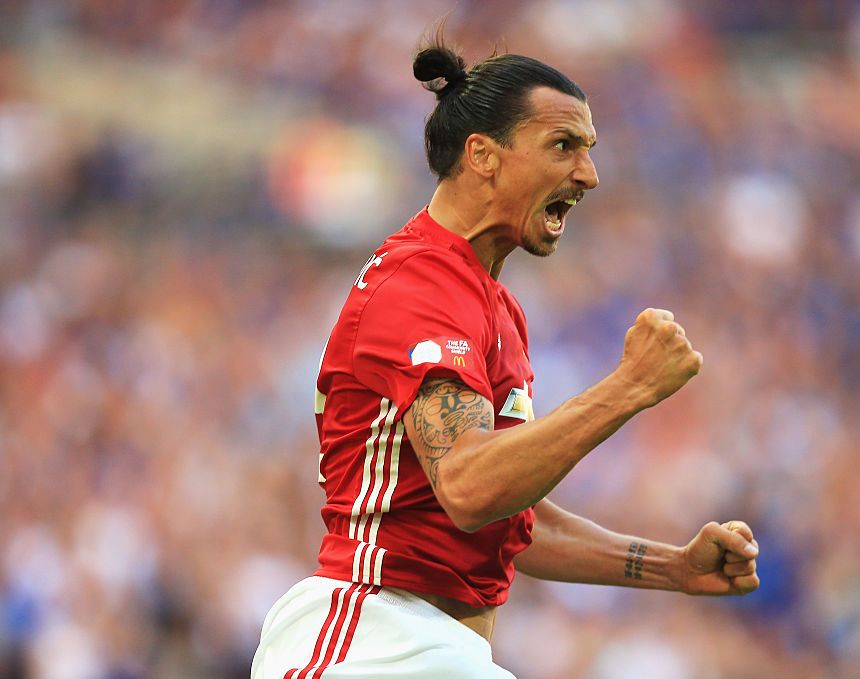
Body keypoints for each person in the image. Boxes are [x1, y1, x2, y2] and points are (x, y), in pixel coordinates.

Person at [252, 35, 760, 679]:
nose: (589, 173)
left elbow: (512, 520)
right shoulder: (419, 282)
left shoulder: (490, 305)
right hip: (372, 637)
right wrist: (629, 388)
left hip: (425, 647)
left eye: (588, 150)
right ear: (483, 156)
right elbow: (469, 487)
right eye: (562, 145)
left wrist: (674, 569)